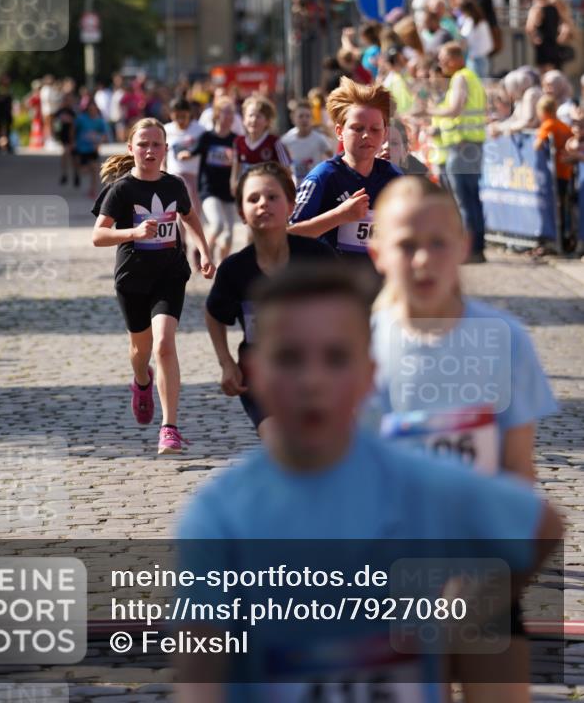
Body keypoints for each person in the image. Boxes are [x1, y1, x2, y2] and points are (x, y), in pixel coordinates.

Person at [176, 263, 563, 701]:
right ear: (256, 371)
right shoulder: (219, 515)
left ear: (369, 373)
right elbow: (200, 672)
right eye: (289, 358)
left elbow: (540, 525)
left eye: (336, 357)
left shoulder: (425, 486)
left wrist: (467, 613)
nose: (313, 381)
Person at [369, 177, 558, 703]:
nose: (423, 259)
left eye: (437, 243)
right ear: (378, 251)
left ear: (464, 247)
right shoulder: (360, 348)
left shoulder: (504, 339)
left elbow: (520, 474)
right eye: (406, 245)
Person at [92, 118, 215, 455]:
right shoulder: (122, 190)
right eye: (143, 144)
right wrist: (132, 233)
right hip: (132, 279)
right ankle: (142, 382)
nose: (149, 150)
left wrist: (204, 251)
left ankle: (169, 427)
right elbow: (98, 236)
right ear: (130, 148)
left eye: (156, 144)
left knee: (164, 344)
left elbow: (189, 217)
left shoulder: (175, 185)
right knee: (140, 352)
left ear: (166, 149)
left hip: (169, 276)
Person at [206, 163, 334, 438]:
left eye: (273, 197)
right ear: (241, 212)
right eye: (253, 199)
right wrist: (226, 362)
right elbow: (215, 314)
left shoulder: (318, 258)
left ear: (290, 204)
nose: (263, 204)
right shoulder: (234, 269)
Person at [288, 79, 401, 287]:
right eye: (357, 128)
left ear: (385, 133)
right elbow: (286, 236)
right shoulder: (323, 177)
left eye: (375, 129)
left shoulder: (394, 178)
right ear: (339, 132)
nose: (367, 135)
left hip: (381, 291)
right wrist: (339, 216)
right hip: (332, 291)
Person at [428, 43, 487, 263]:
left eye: (444, 57)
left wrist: (430, 110)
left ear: (456, 58)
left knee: (463, 202)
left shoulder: (461, 78)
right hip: (471, 145)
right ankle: (477, 249)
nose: (440, 62)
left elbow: (454, 109)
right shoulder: (471, 77)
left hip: (462, 146)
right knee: (471, 199)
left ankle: (470, 250)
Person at [180, 96, 238, 264]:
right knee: (218, 224)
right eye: (225, 112)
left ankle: (222, 268)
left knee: (228, 237)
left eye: (232, 113)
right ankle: (204, 251)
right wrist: (186, 154)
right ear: (217, 114)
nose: (229, 116)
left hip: (229, 191)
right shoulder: (207, 137)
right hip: (209, 189)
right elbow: (193, 150)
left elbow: (241, 162)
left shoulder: (236, 140)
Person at [534, 95, 574, 252]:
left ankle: (558, 242)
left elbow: (536, 145)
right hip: (566, 171)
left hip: (555, 174)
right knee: (564, 207)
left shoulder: (548, 125)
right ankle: (564, 241)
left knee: (557, 208)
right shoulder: (563, 125)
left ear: (543, 111)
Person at [230, 95, 291, 196]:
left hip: (270, 193)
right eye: (250, 115)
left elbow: (287, 170)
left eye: (258, 116)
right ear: (244, 120)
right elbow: (236, 167)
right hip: (248, 192)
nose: (254, 120)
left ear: (267, 121)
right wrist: (233, 184)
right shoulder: (238, 142)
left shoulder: (275, 142)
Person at [165, 97, 205, 219]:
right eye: (177, 116)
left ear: (190, 113)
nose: (181, 120)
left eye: (184, 116)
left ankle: (195, 236)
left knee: (193, 211)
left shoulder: (200, 129)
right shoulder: (166, 129)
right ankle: (181, 239)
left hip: (194, 175)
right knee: (176, 212)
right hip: (174, 175)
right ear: (171, 115)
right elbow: (162, 152)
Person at [280, 99, 332, 186]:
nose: (304, 119)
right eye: (300, 116)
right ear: (293, 118)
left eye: (307, 116)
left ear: (312, 118)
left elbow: (332, 158)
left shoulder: (320, 139)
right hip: (295, 186)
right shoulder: (286, 140)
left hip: (316, 184)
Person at [488, 67, 541, 137]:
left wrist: (502, 129)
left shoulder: (531, 94)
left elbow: (529, 121)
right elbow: (514, 118)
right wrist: (499, 126)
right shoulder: (520, 99)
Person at [74, 100, 108, 198]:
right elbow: (74, 129)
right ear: (87, 110)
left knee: (94, 169)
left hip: (93, 149)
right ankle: (78, 172)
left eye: (94, 109)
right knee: (84, 170)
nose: (92, 111)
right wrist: (73, 141)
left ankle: (93, 190)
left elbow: (104, 135)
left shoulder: (100, 121)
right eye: (90, 109)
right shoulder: (81, 119)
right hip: (82, 148)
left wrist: (99, 143)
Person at [459, 0, 493, 81]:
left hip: (476, 58)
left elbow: (464, 38)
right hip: (477, 57)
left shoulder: (474, 23)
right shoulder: (480, 23)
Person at [53, 91, 78, 186]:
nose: (68, 102)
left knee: (74, 157)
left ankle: (76, 174)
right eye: (66, 100)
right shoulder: (60, 111)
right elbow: (55, 123)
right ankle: (64, 174)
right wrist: (56, 132)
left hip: (74, 136)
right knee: (65, 153)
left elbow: (78, 123)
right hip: (64, 136)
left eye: (69, 100)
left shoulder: (74, 111)